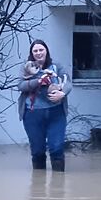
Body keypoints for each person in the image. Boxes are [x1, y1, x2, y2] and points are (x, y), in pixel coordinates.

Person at [18, 39, 72, 172]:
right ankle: (38, 188)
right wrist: (38, 81)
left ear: (46, 51)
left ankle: (58, 188)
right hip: (32, 114)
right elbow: (21, 86)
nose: (38, 53)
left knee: (57, 148)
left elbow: (68, 82)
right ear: (31, 53)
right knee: (37, 151)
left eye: (41, 50)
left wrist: (62, 93)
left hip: (56, 113)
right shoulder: (26, 67)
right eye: (35, 51)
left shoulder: (56, 66)